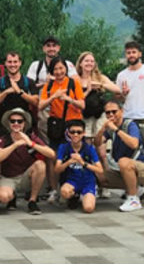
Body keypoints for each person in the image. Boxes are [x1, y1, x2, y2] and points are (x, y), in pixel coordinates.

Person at [38, 56, 85, 202]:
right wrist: (54, 97)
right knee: (53, 156)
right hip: (56, 126)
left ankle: (74, 188)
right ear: (51, 71)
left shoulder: (73, 83)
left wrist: (68, 99)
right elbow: (40, 106)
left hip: (73, 124)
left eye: (61, 68)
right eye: (55, 69)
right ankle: (54, 189)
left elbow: (82, 105)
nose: (59, 72)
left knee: (74, 156)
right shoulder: (49, 86)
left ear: (66, 68)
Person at [0, 108, 55, 214]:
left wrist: (31, 144)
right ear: (8, 123)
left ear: (24, 123)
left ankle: (32, 201)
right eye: (13, 121)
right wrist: (15, 144)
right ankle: (12, 197)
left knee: (40, 165)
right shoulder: (4, 139)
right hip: (8, 177)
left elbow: (51, 154)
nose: (16, 123)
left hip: (26, 177)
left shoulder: (31, 137)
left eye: (19, 121)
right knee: (4, 197)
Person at [94, 100, 144, 212]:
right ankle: (137, 188)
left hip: (142, 166)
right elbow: (97, 143)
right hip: (124, 169)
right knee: (99, 175)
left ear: (121, 111)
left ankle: (133, 199)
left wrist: (115, 129)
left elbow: (134, 144)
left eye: (114, 111)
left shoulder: (130, 125)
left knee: (123, 162)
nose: (111, 115)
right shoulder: (110, 129)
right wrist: (102, 129)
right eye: (108, 112)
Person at [26, 36, 78, 143]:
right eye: (48, 46)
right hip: (44, 106)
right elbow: (28, 86)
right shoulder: (36, 65)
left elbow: (76, 82)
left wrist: (60, 79)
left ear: (58, 48)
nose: (51, 48)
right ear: (44, 48)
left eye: (54, 46)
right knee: (44, 135)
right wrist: (46, 83)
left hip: (64, 106)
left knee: (66, 137)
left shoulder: (67, 64)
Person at [54, 120, 102, 213]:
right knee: (64, 192)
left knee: (88, 208)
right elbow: (57, 169)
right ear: (68, 133)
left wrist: (82, 162)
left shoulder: (89, 148)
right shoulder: (63, 147)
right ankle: (74, 196)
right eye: (72, 132)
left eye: (79, 132)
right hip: (71, 181)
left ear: (84, 133)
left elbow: (100, 170)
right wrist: (69, 162)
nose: (75, 134)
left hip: (88, 182)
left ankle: (86, 195)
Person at [0, 52, 38, 137]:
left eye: (15, 62)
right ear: (5, 63)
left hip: (24, 125)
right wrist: (6, 92)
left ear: (20, 63)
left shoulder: (29, 82)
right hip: (5, 125)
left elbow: (36, 102)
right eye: (10, 62)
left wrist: (20, 92)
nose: (12, 65)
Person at [76, 51, 121, 141]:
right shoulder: (76, 79)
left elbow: (117, 90)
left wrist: (101, 85)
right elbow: (75, 99)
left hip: (99, 114)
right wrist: (88, 90)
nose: (89, 63)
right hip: (84, 115)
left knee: (100, 140)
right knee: (87, 140)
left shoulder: (100, 77)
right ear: (80, 63)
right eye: (86, 61)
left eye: (92, 61)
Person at [116, 41, 144, 137]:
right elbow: (118, 98)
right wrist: (123, 94)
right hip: (128, 118)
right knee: (131, 146)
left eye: (134, 52)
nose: (131, 55)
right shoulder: (121, 75)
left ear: (140, 54)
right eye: (128, 53)